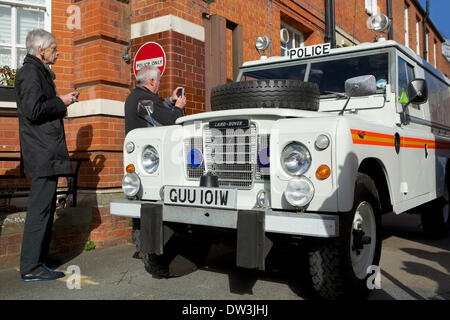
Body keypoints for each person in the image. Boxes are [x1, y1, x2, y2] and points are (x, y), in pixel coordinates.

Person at [15, 29, 79, 282]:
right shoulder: (30, 73)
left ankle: (39, 260)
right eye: (54, 48)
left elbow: (41, 108)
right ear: (40, 50)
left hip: (45, 152)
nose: (58, 52)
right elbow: (33, 110)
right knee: (39, 210)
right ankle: (30, 266)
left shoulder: (37, 72)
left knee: (46, 208)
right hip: (41, 153)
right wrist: (61, 101)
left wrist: (61, 102)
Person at [124, 65, 186, 135]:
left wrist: (171, 100)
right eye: (159, 81)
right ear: (152, 81)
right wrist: (178, 108)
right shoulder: (145, 98)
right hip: (148, 143)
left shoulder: (134, 96)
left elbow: (156, 110)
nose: (160, 84)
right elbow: (171, 122)